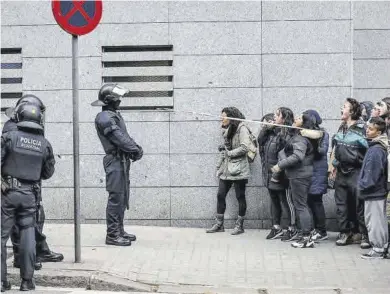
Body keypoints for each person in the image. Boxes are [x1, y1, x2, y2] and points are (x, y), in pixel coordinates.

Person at [2, 95, 63, 271]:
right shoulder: (12, 130)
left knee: (35, 218)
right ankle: (23, 260)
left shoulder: (21, 128)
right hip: (14, 186)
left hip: (30, 184)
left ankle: (35, 252)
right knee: (19, 224)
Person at [91, 83, 143, 246]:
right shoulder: (105, 117)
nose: (120, 100)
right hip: (115, 161)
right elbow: (118, 137)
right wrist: (134, 149)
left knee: (122, 196)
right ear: (109, 100)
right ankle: (112, 234)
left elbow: (124, 136)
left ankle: (119, 229)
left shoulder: (112, 115)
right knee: (116, 197)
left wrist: (134, 148)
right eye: (117, 98)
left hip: (121, 160)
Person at [272, 111, 320, 248]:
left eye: (299, 118)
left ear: (304, 123)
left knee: (301, 206)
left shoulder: (301, 138)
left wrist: (279, 166)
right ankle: (307, 234)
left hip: (300, 176)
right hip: (300, 175)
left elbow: (297, 156)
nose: (295, 119)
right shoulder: (299, 136)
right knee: (302, 205)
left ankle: (306, 237)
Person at [207, 107, 252, 235]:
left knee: (240, 196)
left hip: (239, 169)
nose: (221, 118)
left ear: (232, 117)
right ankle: (219, 224)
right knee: (220, 195)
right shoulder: (228, 130)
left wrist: (230, 153)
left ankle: (239, 226)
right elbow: (224, 152)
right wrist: (218, 167)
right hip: (227, 169)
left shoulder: (242, 129)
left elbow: (244, 148)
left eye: (224, 116)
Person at [331, 98, 369, 248]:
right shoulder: (341, 128)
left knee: (360, 205)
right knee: (341, 205)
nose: (341, 109)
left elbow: (368, 151)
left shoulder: (363, 129)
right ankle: (344, 233)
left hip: (356, 171)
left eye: (344, 107)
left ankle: (364, 235)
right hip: (341, 172)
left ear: (352, 111)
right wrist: (333, 166)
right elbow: (336, 150)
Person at [258, 110, 296, 241]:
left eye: (276, 116)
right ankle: (276, 227)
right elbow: (260, 142)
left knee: (285, 202)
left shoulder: (286, 132)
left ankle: (291, 228)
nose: (274, 118)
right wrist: (266, 130)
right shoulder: (269, 135)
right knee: (274, 202)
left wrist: (277, 129)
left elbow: (286, 149)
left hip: (281, 174)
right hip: (269, 173)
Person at [358, 117, 388, 259]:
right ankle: (380, 247)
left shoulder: (376, 149)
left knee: (374, 221)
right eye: (367, 128)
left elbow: (372, 172)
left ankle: (378, 248)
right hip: (376, 191)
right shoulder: (378, 146)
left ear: (379, 131)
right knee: (375, 220)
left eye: (371, 129)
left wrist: (363, 185)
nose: (367, 131)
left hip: (374, 192)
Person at [304, 110, 329, 242]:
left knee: (316, 202)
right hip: (308, 172)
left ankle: (322, 230)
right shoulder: (304, 132)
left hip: (318, 172)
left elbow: (322, 152)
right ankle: (315, 228)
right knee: (309, 201)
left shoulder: (322, 134)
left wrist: (313, 140)